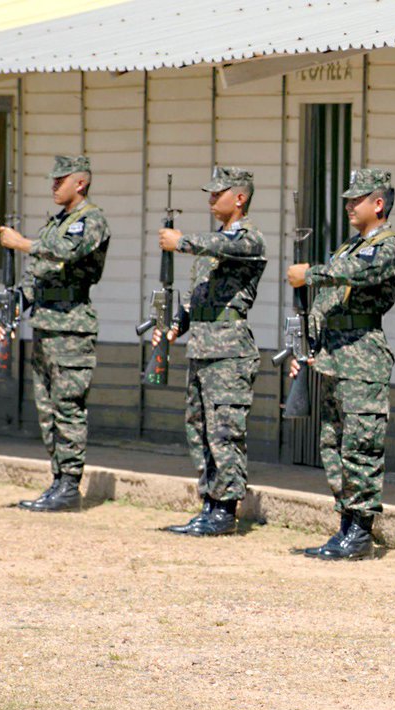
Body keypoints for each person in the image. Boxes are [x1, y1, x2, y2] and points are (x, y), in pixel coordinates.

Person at [286, 168, 395, 560]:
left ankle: (360, 531)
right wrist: (307, 349)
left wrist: (311, 274)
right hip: (334, 359)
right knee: (333, 446)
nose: (349, 206)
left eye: (356, 199)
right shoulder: (347, 247)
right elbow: (326, 302)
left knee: (361, 447)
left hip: (363, 361)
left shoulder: (387, 248)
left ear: (378, 203)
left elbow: (359, 274)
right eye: (348, 199)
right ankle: (344, 524)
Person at [154, 167, 267, 536]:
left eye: (218, 192)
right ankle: (209, 502)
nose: (210, 199)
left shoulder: (248, 240)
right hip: (202, 346)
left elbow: (224, 247)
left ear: (239, 198)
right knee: (199, 429)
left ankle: (225, 509)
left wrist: (181, 241)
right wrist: (175, 326)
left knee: (225, 431)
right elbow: (196, 295)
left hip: (229, 350)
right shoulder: (211, 242)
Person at [0, 155, 110, 512]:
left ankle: (69, 484)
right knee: (46, 408)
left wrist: (22, 243)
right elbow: (37, 274)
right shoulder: (55, 223)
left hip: (72, 326)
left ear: (80, 183)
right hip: (45, 323)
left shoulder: (90, 221)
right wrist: (17, 304)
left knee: (68, 407)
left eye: (59, 180)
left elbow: (68, 252)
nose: (53, 186)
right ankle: (57, 478)